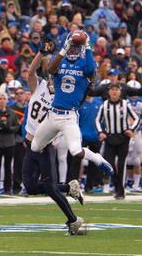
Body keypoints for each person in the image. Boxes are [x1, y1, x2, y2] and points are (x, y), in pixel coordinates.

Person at [30, 30, 114, 179]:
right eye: (71, 46)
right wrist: (64, 48)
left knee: (75, 150)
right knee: (35, 146)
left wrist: (87, 46)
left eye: (76, 46)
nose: (73, 49)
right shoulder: (60, 61)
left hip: (69, 116)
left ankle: (98, 160)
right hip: (53, 114)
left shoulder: (85, 64)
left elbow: (90, 70)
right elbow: (50, 69)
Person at [22, 42, 85, 236]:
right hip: (29, 143)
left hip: (44, 146)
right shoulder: (39, 86)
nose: (51, 80)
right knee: (30, 187)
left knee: (49, 188)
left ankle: (73, 221)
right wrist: (40, 53)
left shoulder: (61, 102)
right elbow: (30, 73)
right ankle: (69, 187)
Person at [95, 84, 141, 199]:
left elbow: (136, 118)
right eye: (112, 90)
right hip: (109, 138)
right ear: (109, 92)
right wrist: (101, 132)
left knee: (121, 165)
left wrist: (131, 129)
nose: (114, 92)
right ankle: (118, 187)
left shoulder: (125, 104)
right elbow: (97, 120)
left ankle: (120, 191)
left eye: (116, 90)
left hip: (123, 138)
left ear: (120, 92)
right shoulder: (104, 105)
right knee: (109, 165)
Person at [125, 80, 142, 192]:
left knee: (137, 160)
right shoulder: (124, 102)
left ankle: (136, 184)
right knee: (127, 159)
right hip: (127, 132)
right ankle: (128, 181)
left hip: (137, 132)